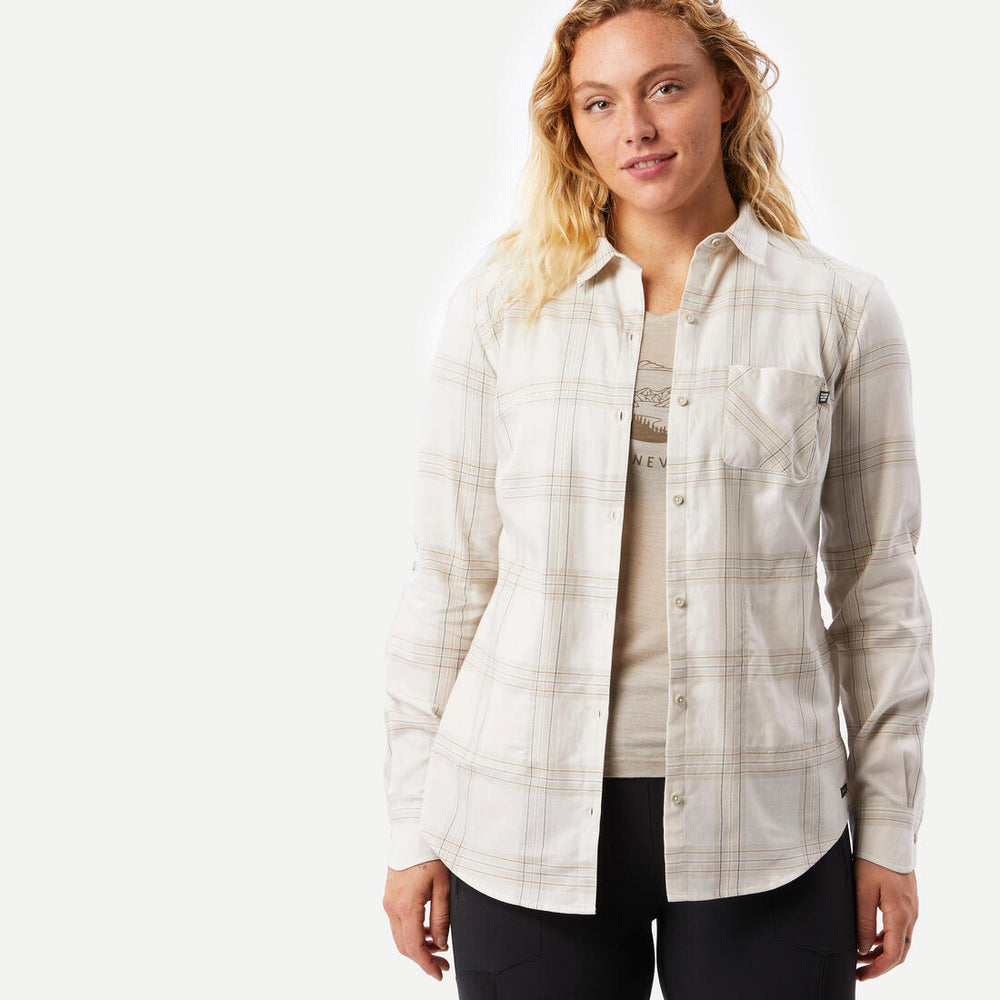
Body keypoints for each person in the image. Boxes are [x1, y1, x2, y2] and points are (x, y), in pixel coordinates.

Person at [381, 1, 934, 997]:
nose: (634, 127)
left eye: (664, 88)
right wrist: (411, 824)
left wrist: (889, 831)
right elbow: (450, 576)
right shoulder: (502, 306)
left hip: (767, 819)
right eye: (598, 103)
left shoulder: (838, 309)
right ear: (571, 127)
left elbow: (876, 591)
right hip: (516, 810)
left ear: (727, 94)